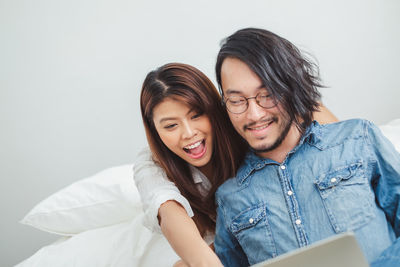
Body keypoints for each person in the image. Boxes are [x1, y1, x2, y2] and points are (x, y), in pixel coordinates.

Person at [213, 28, 400, 267]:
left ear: (290, 87)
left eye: (267, 95)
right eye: (237, 101)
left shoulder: (358, 140)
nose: (254, 114)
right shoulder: (230, 198)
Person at [134, 62, 338, 266]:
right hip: (225, 249)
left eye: (196, 115)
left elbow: (324, 124)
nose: (188, 133)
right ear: (154, 130)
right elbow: (169, 211)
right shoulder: (152, 164)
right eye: (171, 126)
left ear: (213, 109)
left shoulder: (242, 125)